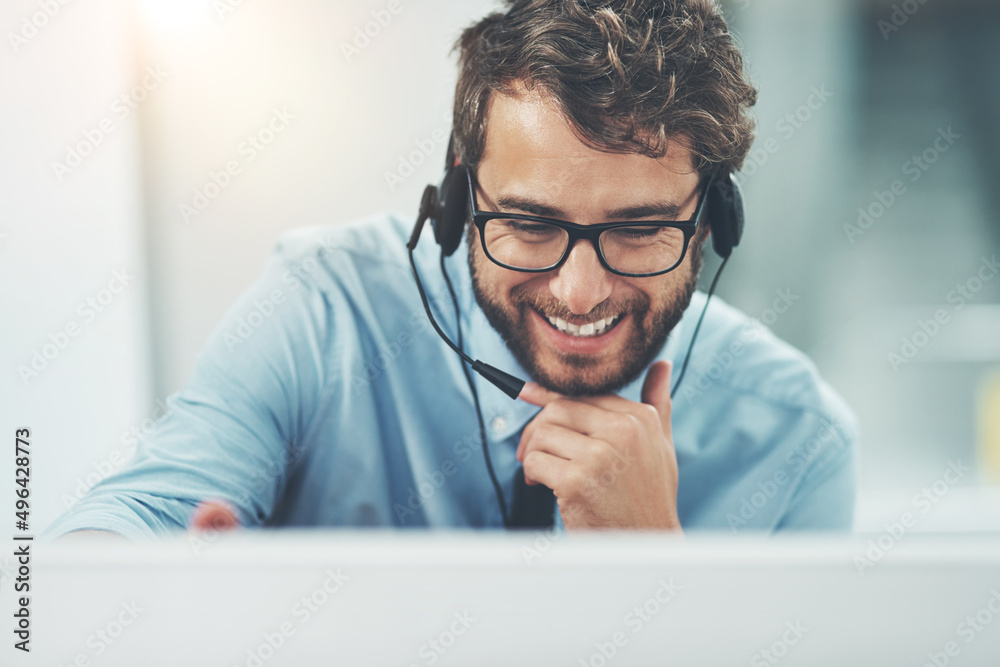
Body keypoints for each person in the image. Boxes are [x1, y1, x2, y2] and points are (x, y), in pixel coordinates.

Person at [45, 0, 857, 541]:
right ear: (461, 197)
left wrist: (656, 571)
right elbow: (115, 527)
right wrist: (143, 591)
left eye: (640, 229)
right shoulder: (325, 306)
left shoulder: (797, 440)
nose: (579, 292)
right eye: (531, 223)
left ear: (712, 218)